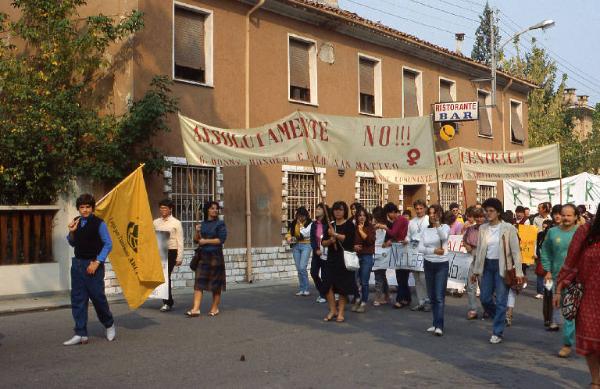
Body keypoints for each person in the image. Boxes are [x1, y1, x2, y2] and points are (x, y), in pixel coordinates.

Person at [555, 208, 600, 387]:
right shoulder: (586, 231)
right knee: (591, 343)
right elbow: (571, 260)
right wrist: (559, 288)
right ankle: (596, 382)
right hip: (590, 299)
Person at [64, 194, 116, 346]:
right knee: (78, 299)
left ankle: (109, 324)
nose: (85, 210)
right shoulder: (76, 222)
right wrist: (72, 231)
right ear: (78, 209)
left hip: (93, 265)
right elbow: (73, 243)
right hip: (78, 265)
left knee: (98, 298)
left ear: (92, 208)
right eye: (82, 207)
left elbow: (108, 244)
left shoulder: (99, 223)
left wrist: (97, 262)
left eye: (88, 207)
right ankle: (80, 333)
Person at [472, 198, 524, 344]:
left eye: (491, 211)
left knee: (501, 300)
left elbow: (516, 252)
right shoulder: (483, 228)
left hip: (503, 267)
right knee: (485, 299)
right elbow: (480, 251)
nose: (488, 214)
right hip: (487, 266)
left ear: (498, 212)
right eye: (486, 211)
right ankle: (500, 318)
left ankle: (497, 332)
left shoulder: (509, 228)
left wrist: (519, 272)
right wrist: (476, 271)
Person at [541, 204, 579, 357]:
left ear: (576, 216)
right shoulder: (552, 232)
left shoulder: (582, 232)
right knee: (568, 311)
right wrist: (548, 270)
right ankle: (567, 344)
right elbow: (545, 252)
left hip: (580, 277)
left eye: (569, 215)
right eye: (564, 215)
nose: (566, 218)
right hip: (559, 277)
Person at [186, 201, 227, 317]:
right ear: (207, 210)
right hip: (202, 256)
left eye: (216, 208)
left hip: (215, 257)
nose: (215, 210)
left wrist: (206, 241)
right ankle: (195, 309)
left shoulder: (220, 224)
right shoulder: (202, 224)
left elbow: (221, 240)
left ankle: (214, 308)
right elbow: (196, 240)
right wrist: (197, 231)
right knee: (199, 283)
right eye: (212, 208)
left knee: (216, 284)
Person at [321, 201, 357, 323]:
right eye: (335, 209)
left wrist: (335, 234)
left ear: (344, 211)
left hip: (344, 259)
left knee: (342, 287)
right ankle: (332, 310)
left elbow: (349, 239)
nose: (337, 212)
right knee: (327, 285)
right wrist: (330, 241)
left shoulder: (349, 225)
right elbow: (323, 243)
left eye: (340, 210)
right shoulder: (330, 225)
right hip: (331, 259)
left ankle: (341, 312)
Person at [418, 205, 450, 336]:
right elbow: (420, 247)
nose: (432, 215)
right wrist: (433, 250)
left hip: (441, 264)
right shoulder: (425, 230)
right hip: (428, 263)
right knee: (431, 295)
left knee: (439, 296)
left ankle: (439, 325)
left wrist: (438, 224)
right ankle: (434, 322)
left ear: (440, 214)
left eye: (434, 213)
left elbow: (443, 237)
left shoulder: (445, 227)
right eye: (430, 213)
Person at [153, 198, 184, 312]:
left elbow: (180, 241)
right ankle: (168, 301)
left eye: (165, 208)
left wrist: (179, 257)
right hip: (160, 251)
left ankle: (167, 302)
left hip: (172, 251)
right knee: (161, 278)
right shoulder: (156, 222)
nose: (163, 210)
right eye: (161, 208)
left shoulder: (176, 223)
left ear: (170, 209)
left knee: (166, 276)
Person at [379, 202, 410, 309]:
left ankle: (400, 299)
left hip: (402, 249)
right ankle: (407, 298)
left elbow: (393, 232)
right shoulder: (401, 220)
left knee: (401, 276)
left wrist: (385, 227)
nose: (389, 217)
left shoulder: (400, 220)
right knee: (402, 275)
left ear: (392, 212)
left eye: (389, 214)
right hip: (399, 248)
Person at [407, 200, 430, 312]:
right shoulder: (411, 222)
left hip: (425, 251)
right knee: (416, 278)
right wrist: (405, 240)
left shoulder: (429, 220)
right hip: (413, 251)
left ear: (425, 208)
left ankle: (428, 300)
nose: (419, 211)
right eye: (417, 209)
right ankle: (421, 301)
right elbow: (408, 235)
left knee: (423, 277)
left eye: (421, 208)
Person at [463, 207, 485, 320]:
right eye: (477, 217)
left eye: (481, 216)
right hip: (472, 256)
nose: (479, 219)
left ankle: (487, 309)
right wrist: (467, 246)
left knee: (484, 286)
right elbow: (464, 240)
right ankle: (473, 309)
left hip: (485, 258)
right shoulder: (470, 229)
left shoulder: (489, 229)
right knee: (471, 285)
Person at [352, 207, 376, 313]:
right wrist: (353, 247)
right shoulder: (353, 227)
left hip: (367, 256)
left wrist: (361, 231)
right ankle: (357, 298)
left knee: (364, 281)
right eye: (359, 215)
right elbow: (350, 241)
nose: (361, 217)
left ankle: (364, 302)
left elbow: (370, 241)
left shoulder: (370, 227)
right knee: (354, 280)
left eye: (363, 215)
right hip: (355, 256)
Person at [286, 206, 312, 296]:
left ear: (306, 216)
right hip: (296, 246)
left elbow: (304, 234)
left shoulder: (309, 223)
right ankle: (301, 289)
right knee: (298, 268)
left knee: (302, 267)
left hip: (306, 245)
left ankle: (306, 288)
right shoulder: (294, 223)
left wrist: (300, 224)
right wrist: (288, 238)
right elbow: (289, 232)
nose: (300, 218)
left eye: (302, 216)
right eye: (299, 216)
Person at [310, 203, 329, 304]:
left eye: (319, 208)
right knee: (313, 273)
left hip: (326, 254)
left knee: (325, 276)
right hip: (317, 253)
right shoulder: (314, 224)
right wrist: (316, 249)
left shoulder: (329, 224)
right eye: (316, 208)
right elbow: (312, 239)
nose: (317, 210)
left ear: (324, 211)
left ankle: (325, 295)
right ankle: (323, 292)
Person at [372, 206, 391, 306]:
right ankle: (387, 295)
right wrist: (373, 228)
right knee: (381, 275)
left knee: (379, 274)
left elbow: (393, 235)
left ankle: (378, 296)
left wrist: (385, 228)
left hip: (384, 252)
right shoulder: (373, 225)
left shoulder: (388, 225)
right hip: (375, 251)